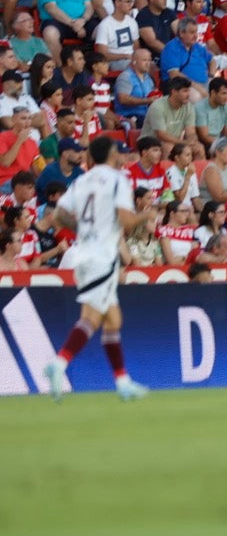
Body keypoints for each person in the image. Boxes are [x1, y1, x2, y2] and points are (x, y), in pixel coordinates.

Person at [43, 135, 150, 401]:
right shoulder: (118, 180)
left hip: (86, 253)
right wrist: (146, 215)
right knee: (91, 318)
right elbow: (126, 221)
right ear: (112, 155)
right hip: (101, 258)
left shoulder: (82, 179)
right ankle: (58, 364)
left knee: (113, 320)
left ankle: (123, 383)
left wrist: (84, 229)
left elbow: (58, 215)